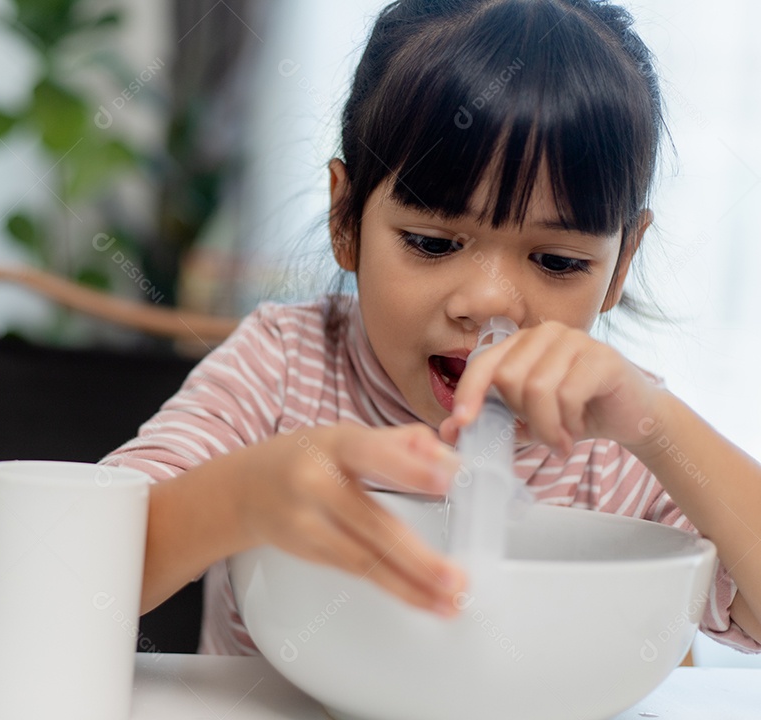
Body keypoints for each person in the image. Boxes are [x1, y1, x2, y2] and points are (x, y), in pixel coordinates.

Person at [101, 0, 761, 657]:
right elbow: (81, 570)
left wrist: (658, 427)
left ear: (620, 266)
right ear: (346, 220)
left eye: (557, 261)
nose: (488, 303)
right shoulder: (280, 366)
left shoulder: (617, 433)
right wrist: (243, 496)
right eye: (432, 242)